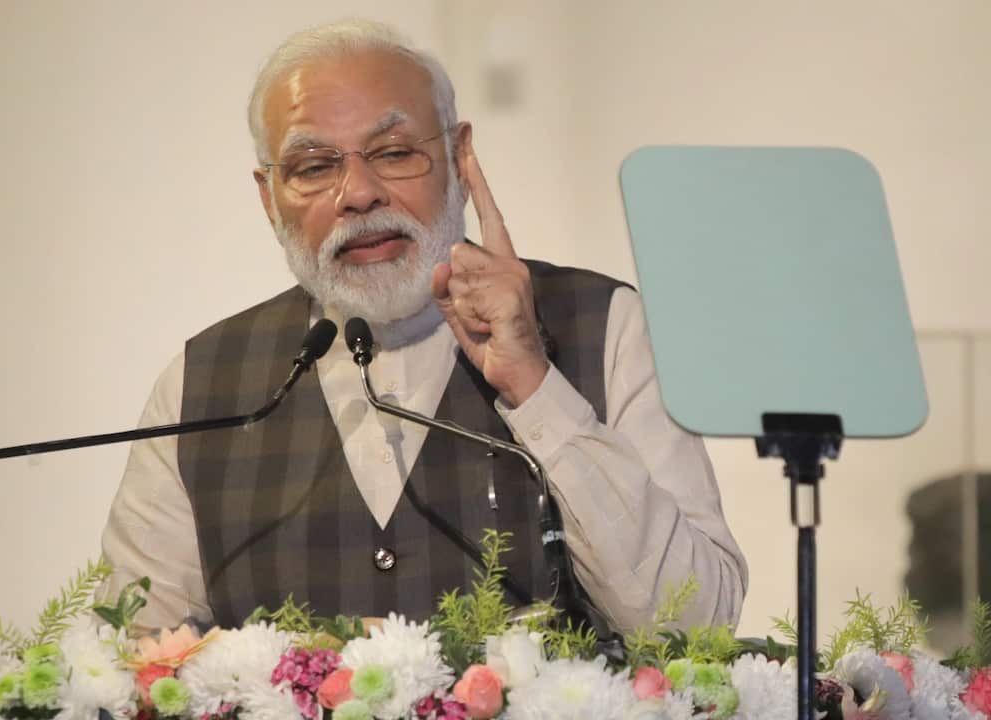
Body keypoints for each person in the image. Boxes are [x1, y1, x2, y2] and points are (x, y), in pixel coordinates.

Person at [99, 19, 747, 635]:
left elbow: (697, 627)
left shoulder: (604, 326)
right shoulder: (203, 383)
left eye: (394, 152)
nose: (358, 194)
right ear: (269, 198)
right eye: (315, 167)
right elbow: (130, 655)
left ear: (461, 159)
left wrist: (536, 387)